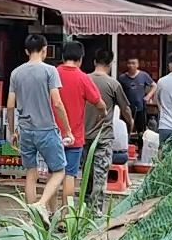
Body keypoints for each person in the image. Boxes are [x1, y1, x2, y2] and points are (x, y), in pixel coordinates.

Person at [5, 34, 74, 219]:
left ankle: (34, 217)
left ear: (26, 51)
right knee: (59, 170)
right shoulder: (50, 71)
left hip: (25, 129)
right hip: (46, 129)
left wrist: (12, 131)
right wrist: (67, 129)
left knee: (30, 173)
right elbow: (57, 103)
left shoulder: (16, 73)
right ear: (45, 49)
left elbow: (10, 105)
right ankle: (42, 204)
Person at [53, 41, 106, 213]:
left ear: (62, 56)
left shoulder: (52, 73)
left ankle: (50, 214)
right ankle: (66, 216)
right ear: (81, 59)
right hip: (74, 136)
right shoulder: (83, 78)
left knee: (53, 174)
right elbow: (99, 103)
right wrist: (102, 114)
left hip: (52, 134)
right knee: (70, 175)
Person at [84, 47, 133, 214]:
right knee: (100, 174)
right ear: (111, 63)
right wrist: (131, 123)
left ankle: (83, 208)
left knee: (86, 174)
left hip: (83, 135)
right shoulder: (113, 84)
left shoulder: (84, 79)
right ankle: (95, 211)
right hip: (103, 136)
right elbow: (125, 109)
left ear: (94, 62)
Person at [119, 57, 154, 138]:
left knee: (141, 131)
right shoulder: (122, 78)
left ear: (138, 65)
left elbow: (154, 85)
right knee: (126, 129)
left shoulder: (143, 75)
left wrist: (148, 96)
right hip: (126, 108)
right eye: (129, 63)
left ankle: (140, 147)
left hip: (140, 107)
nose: (131, 65)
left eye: (133, 63)